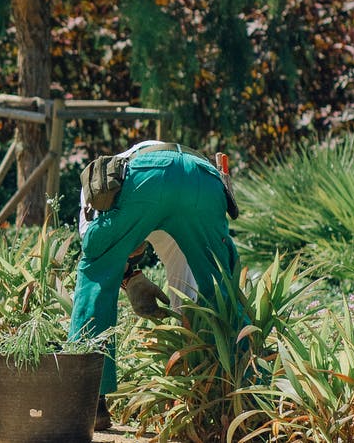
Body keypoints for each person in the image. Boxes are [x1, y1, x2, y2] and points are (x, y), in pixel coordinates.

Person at [69, 140, 239, 431]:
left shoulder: (98, 191)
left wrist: (123, 273)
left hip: (147, 178)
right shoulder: (166, 231)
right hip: (204, 180)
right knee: (215, 289)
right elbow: (185, 289)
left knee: (95, 272)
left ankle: (89, 402)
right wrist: (132, 278)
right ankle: (230, 395)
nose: (132, 253)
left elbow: (100, 256)